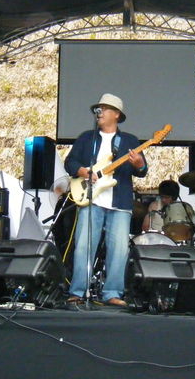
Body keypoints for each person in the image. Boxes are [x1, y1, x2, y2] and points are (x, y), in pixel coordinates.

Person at [64, 93, 147, 306]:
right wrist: (82, 171)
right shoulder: (86, 137)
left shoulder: (129, 141)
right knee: (84, 246)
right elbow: (70, 162)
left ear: (116, 114)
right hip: (91, 199)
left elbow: (142, 171)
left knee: (119, 249)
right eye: (98, 109)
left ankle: (112, 293)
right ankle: (78, 291)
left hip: (119, 202)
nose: (99, 112)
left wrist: (139, 164)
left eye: (105, 108)